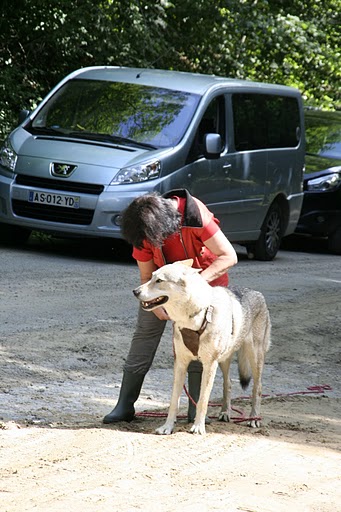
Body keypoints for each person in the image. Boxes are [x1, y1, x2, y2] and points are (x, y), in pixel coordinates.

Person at [103, 188, 238, 424]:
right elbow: (146, 274)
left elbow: (228, 256)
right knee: (144, 335)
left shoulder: (195, 216)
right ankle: (124, 405)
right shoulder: (143, 228)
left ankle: (196, 409)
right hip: (161, 287)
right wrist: (153, 305)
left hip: (204, 283)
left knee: (198, 344)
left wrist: (193, 286)